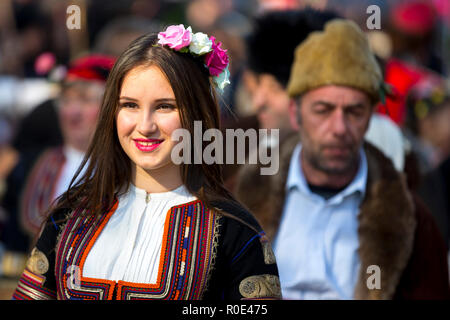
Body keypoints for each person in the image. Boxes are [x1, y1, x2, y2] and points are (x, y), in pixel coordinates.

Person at [12, 25, 281, 300]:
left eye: (165, 106)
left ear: (197, 114)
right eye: (129, 105)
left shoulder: (234, 231)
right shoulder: (70, 216)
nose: (145, 125)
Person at [235, 19, 450, 299]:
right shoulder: (239, 202)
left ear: (371, 116)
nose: (339, 128)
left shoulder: (412, 220)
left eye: (354, 111)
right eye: (323, 110)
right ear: (295, 112)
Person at [0, 54, 115, 278]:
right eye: (66, 100)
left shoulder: (130, 173)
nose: (72, 112)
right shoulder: (27, 166)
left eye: (85, 100)